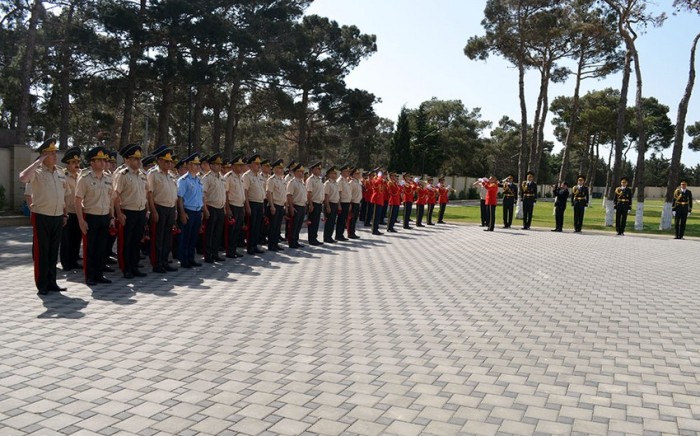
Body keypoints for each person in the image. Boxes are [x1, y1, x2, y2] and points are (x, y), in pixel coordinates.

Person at [18, 138, 69, 295]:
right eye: (50, 153)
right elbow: (23, 177)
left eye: (54, 153)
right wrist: (38, 161)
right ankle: (42, 285)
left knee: (53, 251)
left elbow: (64, 195)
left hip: (57, 216)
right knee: (42, 252)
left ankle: (52, 282)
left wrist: (65, 214)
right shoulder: (37, 173)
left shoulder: (60, 173)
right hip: (42, 216)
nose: (54, 156)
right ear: (43, 156)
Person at [75, 146, 114, 285]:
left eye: (104, 160)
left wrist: (112, 217)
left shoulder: (109, 178)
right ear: (92, 162)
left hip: (104, 216)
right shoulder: (85, 178)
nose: (103, 163)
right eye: (99, 160)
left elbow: (111, 200)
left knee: (101, 248)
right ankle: (90, 276)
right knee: (90, 248)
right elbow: (78, 200)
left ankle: (99, 274)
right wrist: (81, 220)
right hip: (91, 216)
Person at [113, 144, 148, 279]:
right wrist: (119, 213)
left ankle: (134, 266)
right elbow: (116, 196)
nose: (139, 162)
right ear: (127, 160)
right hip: (128, 211)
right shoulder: (123, 175)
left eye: (139, 159)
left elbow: (145, 194)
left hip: (140, 211)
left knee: (136, 241)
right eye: (135, 159)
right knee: (126, 242)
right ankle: (126, 268)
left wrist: (146, 211)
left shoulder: (142, 175)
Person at [147, 147, 178, 273]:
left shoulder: (171, 175)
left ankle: (165, 261)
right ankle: (157, 263)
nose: (169, 164)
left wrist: (175, 210)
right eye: (166, 161)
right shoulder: (153, 174)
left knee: (167, 238)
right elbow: (149, 194)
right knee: (158, 238)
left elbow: (174, 195)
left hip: (170, 209)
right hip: (159, 208)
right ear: (159, 161)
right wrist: (153, 211)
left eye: (170, 161)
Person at [176, 153, 204, 268]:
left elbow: (201, 196)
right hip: (188, 211)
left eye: (198, 164)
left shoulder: (198, 179)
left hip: (197, 211)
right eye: (194, 164)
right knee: (185, 237)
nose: (197, 166)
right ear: (188, 165)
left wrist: (202, 210)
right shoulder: (183, 180)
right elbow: (180, 197)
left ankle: (191, 258)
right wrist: (182, 213)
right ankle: (184, 260)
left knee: (194, 237)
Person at [59, 147, 82, 271]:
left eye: (78, 162)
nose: (77, 165)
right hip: (66, 212)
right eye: (73, 162)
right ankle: (66, 263)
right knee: (66, 240)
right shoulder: (62, 176)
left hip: (78, 212)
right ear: (67, 163)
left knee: (76, 238)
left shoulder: (81, 176)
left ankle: (74, 260)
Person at [202, 153, 227, 263]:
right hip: (211, 207)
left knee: (218, 232)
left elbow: (224, 194)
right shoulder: (207, 178)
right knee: (210, 233)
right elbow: (203, 194)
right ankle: (208, 255)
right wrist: (205, 209)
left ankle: (215, 253)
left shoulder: (222, 178)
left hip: (220, 208)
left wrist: (225, 209)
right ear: (211, 165)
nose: (219, 166)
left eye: (220, 164)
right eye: (216, 164)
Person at [242, 154, 266, 254]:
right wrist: (247, 206)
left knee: (257, 226)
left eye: (259, 164)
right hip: (252, 203)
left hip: (260, 203)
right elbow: (245, 192)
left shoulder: (259, 176)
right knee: (251, 226)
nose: (259, 166)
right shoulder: (247, 176)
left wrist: (263, 205)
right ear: (251, 165)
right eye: (256, 164)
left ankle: (255, 245)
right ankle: (250, 247)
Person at [224, 155, 246, 258]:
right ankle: (229, 251)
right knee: (231, 230)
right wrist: (228, 209)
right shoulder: (228, 177)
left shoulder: (240, 177)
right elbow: (226, 194)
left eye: (241, 166)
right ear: (232, 166)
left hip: (240, 205)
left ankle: (234, 249)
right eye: (238, 166)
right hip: (232, 206)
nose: (240, 168)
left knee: (237, 229)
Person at [266, 159, 287, 251]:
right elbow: (269, 193)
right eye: (279, 168)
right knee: (273, 226)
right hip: (274, 205)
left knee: (278, 227)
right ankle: (271, 245)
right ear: (274, 169)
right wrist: (272, 206)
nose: (281, 170)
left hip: (281, 205)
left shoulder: (282, 180)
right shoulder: (271, 180)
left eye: (282, 168)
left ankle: (275, 243)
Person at [286, 163, 307, 248]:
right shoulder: (292, 182)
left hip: (302, 206)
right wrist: (291, 207)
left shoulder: (302, 182)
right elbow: (289, 195)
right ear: (295, 172)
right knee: (293, 225)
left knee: (298, 225)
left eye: (302, 172)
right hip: (296, 206)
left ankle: (296, 240)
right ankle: (291, 242)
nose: (302, 173)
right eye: (300, 171)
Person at [306, 161, 325, 245]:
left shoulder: (319, 179)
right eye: (318, 169)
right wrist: (310, 205)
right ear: (313, 170)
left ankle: (315, 238)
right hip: (313, 203)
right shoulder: (310, 180)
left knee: (316, 222)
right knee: (312, 222)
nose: (319, 170)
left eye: (320, 169)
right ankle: (311, 239)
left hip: (319, 203)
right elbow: (309, 193)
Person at [323, 166, 340, 243]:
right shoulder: (327, 183)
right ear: (329, 174)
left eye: (336, 174)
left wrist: (338, 205)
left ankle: (330, 236)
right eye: (333, 173)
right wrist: (327, 206)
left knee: (333, 222)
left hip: (335, 204)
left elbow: (337, 195)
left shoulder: (336, 183)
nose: (335, 175)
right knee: (328, 222)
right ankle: (326, 237)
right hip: (330, 204)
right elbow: (326, 195)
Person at [335, 165, 351, 241]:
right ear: (343, 172)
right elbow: (338, 193)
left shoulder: (346, 180)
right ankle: (338, 235)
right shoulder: (340, 181)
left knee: (344, 220)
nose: (348, 173)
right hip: (342, 203)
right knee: (341, 220)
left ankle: (341, 234)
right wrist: (339, 205)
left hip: (346, 202)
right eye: (347, 171)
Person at [370, 169, 386, 235]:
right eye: (382, 174)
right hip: (376, 199)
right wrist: (379, 177)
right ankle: (374, 230)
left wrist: (383, 180)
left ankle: (376, 228)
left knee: (378, 215)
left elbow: (385, 187)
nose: (383, 176)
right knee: (375, 216)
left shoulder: (381, 181)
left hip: (380, 200)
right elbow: (376, 184)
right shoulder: (375, 179)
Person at [348, 167, 362, 239]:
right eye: (356, 173)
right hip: (353, 203)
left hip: (357, 202)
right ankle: (350, 233)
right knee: (351, 219)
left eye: (358, 173)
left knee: (355, 219)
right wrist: (350, 204)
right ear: (353, 175)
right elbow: (349, 194)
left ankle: (353, 232)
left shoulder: (357, 182)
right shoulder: (351, 183)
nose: (358, 175)